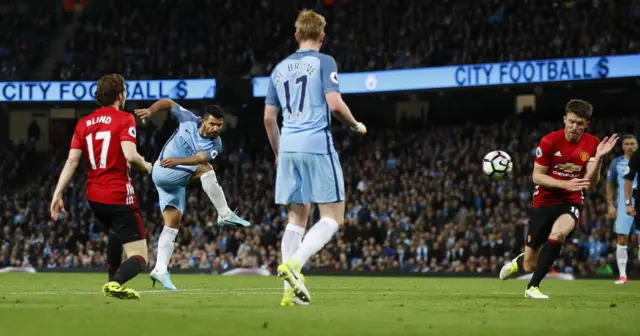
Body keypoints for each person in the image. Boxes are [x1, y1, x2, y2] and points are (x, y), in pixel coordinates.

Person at [263, 9, 367, 306]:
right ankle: (294, 265)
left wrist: (278, 154)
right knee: (333, 217)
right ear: (322, 37)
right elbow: (334, 105)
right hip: (316, 144)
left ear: (297, 36)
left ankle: (288, 294)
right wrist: (356, 124)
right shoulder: (325, 61)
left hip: (289, 147)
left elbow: (269, 119)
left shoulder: (278, 69)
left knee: (296, 217)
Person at [499, 99, 618, 299]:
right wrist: (565, 183)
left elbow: (590, 183)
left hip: (571, 201)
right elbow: (537, 177)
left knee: (558, 235)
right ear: (564, 119)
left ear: (586, 124)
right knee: (530, 264)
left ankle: (532, 288)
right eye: (571, 121)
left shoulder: (592, 144)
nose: (574, 127)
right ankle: (518, 263)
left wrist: (598, 159)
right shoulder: (549, 141)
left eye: (579, 124)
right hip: (544, 201)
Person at [50, 74, 153, 300]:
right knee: (140, 257)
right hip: (117, 194)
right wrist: (149, 167)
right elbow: (131, 156)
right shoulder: (125, 118)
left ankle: (110, 283)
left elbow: (72, 161)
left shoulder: (83, 123)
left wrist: (57, 193)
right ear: (120, 95)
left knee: (116, 233)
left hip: (94, 196)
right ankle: (116, 283)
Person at [135, 99, 250, 290]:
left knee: (173, 223)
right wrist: (150, 110)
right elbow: (168, 102)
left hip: (173, 177)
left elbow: (199, 158)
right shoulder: (188, 118)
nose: (215, 129)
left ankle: (160, 269)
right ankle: (224, 213)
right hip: (164, 170)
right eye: (212, 123)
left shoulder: (216, 144)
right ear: (203, 121)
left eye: (219, 125)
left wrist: (177, 160)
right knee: (206, 169)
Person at [606, 135, 638, 284]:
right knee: (622, 238)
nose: (630, 147)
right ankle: (623, 275)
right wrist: (610, 205)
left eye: (632, 144)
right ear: (623, 146)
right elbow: (609, 185)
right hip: (623, 205)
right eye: (627, 144)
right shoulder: (616, 163)